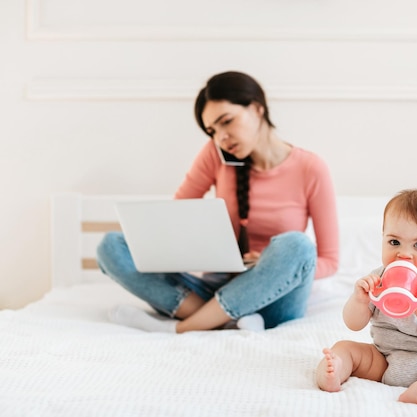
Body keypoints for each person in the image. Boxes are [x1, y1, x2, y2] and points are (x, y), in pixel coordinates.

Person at [96, 71, 339, 333]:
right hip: (215, 288)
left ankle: (181, 328)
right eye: (212, 131)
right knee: (111, 246)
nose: (221, 137)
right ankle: (223, 319)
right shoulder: (215, 154)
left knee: (298, 246)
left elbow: (329, 260)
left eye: (227, 121)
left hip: (274, 298)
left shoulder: (311, 168)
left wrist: (267, 264)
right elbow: (173, 217)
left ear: (257, 109)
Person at [315, 189, 417, 405]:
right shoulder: (378, 279)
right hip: (383, 359)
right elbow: (353, 324)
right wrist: (359, 301)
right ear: (383, 238)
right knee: (344, 347)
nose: (404, 254)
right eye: (394, 242)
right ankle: (332, 373)